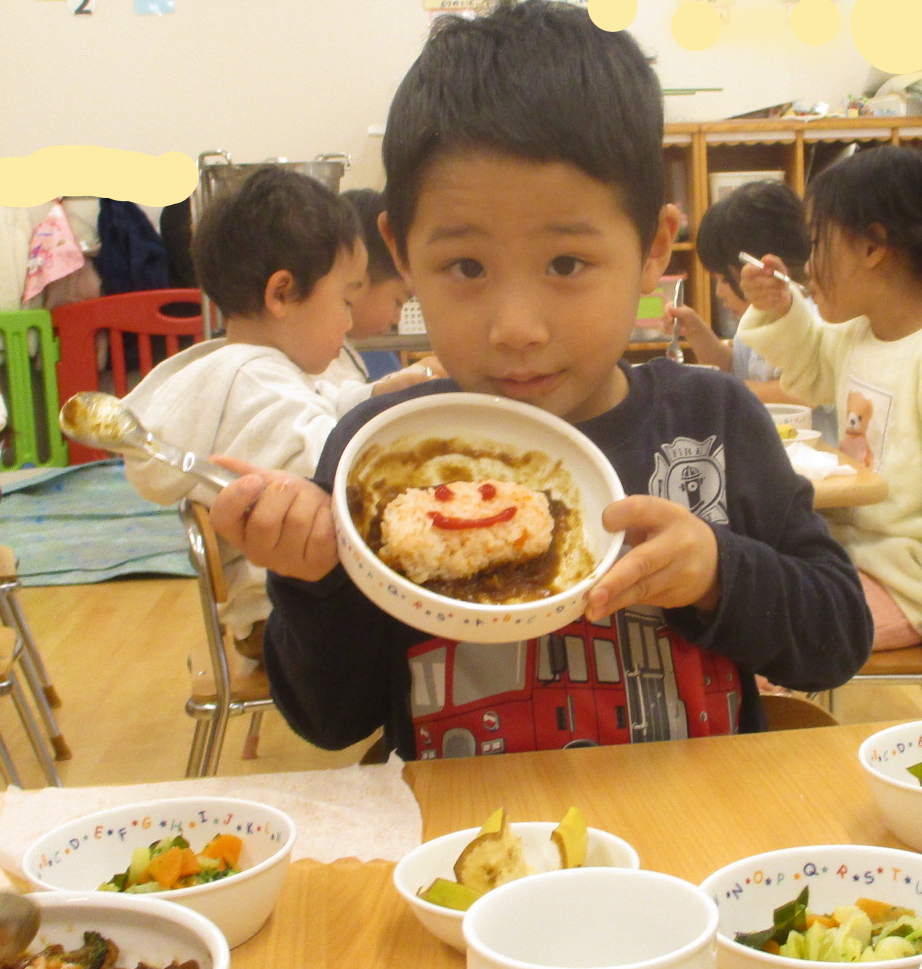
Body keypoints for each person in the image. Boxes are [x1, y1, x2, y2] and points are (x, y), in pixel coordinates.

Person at [207, 0, 872, 758]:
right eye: (465, 267)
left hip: (689, 852)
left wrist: (718, 572)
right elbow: (330, 720)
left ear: (653, 248)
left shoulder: (709, 422)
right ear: (401, 251)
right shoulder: (376, 455)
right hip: (463, 859)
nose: (515, 325)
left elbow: (836, 640)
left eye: (565, 264)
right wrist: (316, 576)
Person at [122, 165, 435, 659]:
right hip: (276, 614)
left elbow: (319, 411)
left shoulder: (246, 370)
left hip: (278, 597)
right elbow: (324, 472)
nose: (350, 322)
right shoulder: (252, 382)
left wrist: (376, 395)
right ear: (282, 294)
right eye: (345, 301)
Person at [738, 143, 922, 658]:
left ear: (872, 247)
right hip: (846, 557)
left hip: (908, 588)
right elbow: (814, 370)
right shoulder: (860, 334)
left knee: (764, 641)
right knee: (742, 585)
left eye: (817, 243)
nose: (808, 266)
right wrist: (781, 308)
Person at [663, 180, 836, 443]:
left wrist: (724, 390)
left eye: (723, 279)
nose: (719, 292)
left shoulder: (819, 317)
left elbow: (801, 394)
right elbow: (734, 367)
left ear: (762, 267)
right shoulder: (752, 321)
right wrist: (696, 331)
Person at [325, 187, 427, 383]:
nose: (397, 319)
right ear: (357, 279)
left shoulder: (338, 351)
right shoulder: (313, 358)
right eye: (398, 302)